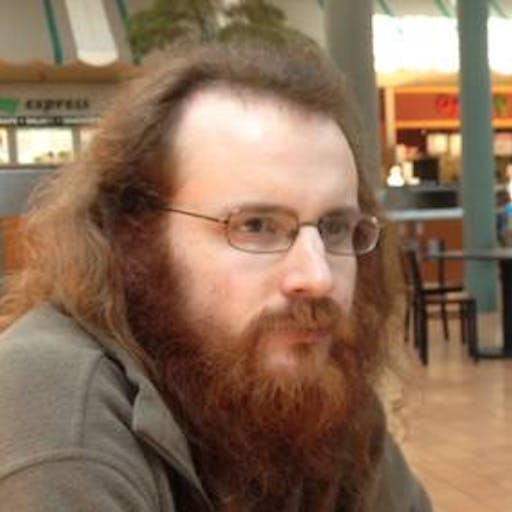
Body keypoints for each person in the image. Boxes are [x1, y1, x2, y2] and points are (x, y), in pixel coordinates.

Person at [0, 36, 431, 511]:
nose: (318, 277)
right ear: (137, 238)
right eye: (256, 226)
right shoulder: (54, 414)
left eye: (334, 228)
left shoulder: (308, 386)